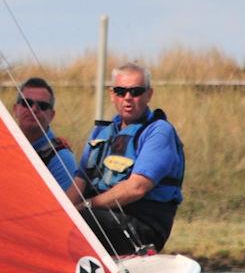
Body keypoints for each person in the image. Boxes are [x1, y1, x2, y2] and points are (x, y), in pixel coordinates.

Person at [66, 63, 185, 255]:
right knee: (57, 223)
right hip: (100, 216)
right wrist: (55, 212)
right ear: (112, 95)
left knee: (81, 220)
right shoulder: (101, 133)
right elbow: (80, 182)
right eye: (121, 92)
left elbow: (136, 187)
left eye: (136, 91)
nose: (128, 98)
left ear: (149, 95)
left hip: (142, 226)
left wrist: (87, 206)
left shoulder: (159, 132)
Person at [13, 77, 76, 190]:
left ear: (51, 115)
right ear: (15, 109)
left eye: (42, 106)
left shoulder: (61, 159)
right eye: (27, 103)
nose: (33, 109)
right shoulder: (0, 146)